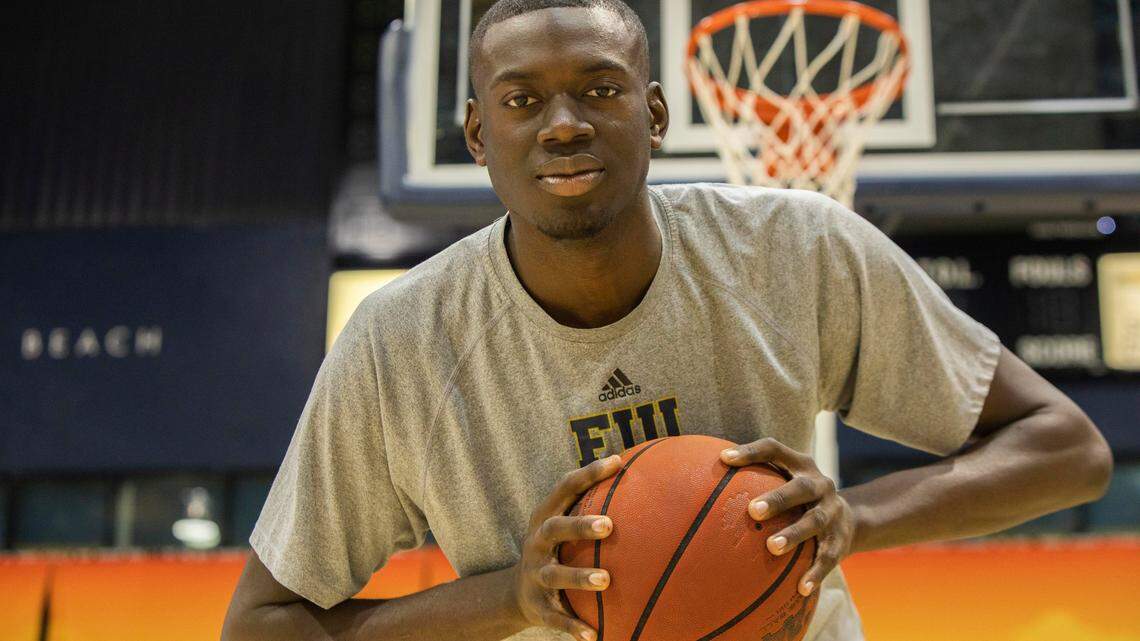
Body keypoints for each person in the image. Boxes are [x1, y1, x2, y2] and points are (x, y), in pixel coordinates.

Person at [220, 2, 1114, 640]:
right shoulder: (402, 343)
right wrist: (514, 598)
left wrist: (851, 519)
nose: (563, 125)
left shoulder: (792, 249)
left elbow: (1068, 449)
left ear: (654, 113)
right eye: (522, 100)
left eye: (600, 91)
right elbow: (260, 623)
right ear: (476, 135)